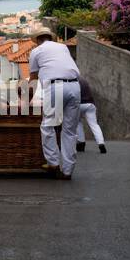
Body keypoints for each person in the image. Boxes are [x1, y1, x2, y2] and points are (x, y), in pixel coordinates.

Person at [27, 27, 80, 180]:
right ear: (51, 37)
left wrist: (27, 97)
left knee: (47, 126)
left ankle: (54, 164)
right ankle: (68, 171)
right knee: (69, 131)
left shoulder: (36, 51)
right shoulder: (63, 47)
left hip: (55, 87)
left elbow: (33, 78)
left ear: (37, 40)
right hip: (75, 86)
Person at [74, 76, 106, 153]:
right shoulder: (84, 80)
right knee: (94, 124)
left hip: (79, 105)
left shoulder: (73, 81)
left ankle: (81, 143)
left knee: (78, 122)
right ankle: (101, 144)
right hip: (90, 104)